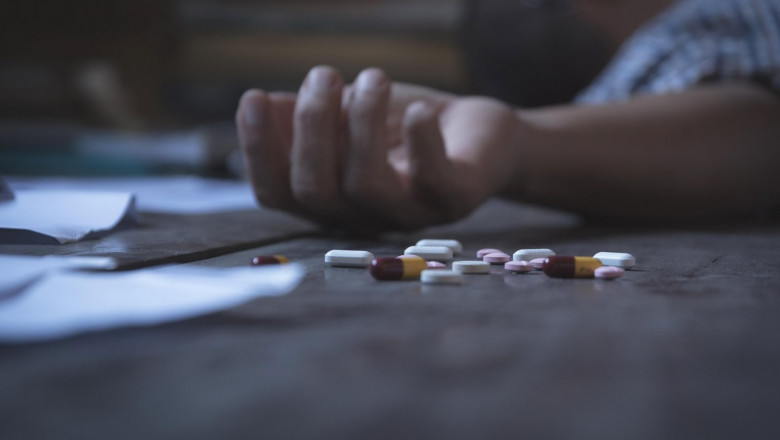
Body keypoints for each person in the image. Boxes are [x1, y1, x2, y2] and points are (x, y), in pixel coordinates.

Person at [236, 0, 780, 232]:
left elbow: (760, 129)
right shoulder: (668, 50)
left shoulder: (699, 34)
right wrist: (518, 142)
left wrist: (522, 144)